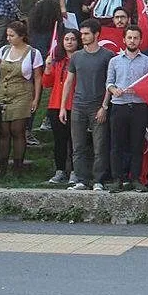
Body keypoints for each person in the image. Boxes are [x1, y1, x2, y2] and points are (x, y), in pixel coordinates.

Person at [0, 21, 43, 177]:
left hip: (22, 95)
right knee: (3, 132)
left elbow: (38, 78)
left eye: (12, 35)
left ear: (22, 36)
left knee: (17, 130)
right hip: (3, 95)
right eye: (8, 35)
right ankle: (1, 166)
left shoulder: (33, 53)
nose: (9, 38)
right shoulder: (4, 50)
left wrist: (35, 99)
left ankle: (18, 166)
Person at [60, 19, 115, 191]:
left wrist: (104, 106)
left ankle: (98, 180)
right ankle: (81, 180)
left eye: (86, 34)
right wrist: (63, 106)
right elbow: (68, 81)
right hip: (78, 105)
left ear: (96, 34)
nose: (82, 37)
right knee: (78, 146)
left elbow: (110, 82)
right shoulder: (76, 56)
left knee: (100, 145)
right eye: (81, 34)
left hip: (98, 106)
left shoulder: (107, 55)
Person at [106, 24, 148, 191]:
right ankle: (117, 179)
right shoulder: (114, 61)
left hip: (138, 107)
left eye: (136, 38)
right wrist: (114, 90)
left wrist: (140, 90)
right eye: (130, 37)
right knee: (116, 145)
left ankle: (135, 178)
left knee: (137, 144)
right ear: (124, 39)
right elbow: (109, 82)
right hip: (119, 106)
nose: (133, 40)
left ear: (141, 40)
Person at [41, 28, 78, 184]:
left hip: (75, 105)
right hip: (56, 105)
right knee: (59, 140)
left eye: (72, 39)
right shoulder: (57, 61)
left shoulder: (80, 59)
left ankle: (75, 172)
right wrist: (48, 68)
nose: (69, 42)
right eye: (66, 39)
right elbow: (47, 83)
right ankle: (60, 170)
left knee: (75, 140)